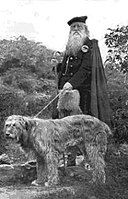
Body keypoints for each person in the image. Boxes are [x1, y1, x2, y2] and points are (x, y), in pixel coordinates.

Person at [52, 15, 111, 127]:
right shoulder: (70, 46)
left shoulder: (89, 45)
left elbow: (86, 68)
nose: (76, 30)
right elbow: (68, 68)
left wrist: (71, 83)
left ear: (85, 29)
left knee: (80, 123)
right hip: (66, 90)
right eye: (73, 27)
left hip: (82, 91)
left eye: (79, 27)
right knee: (64, 120)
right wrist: (58, 65)